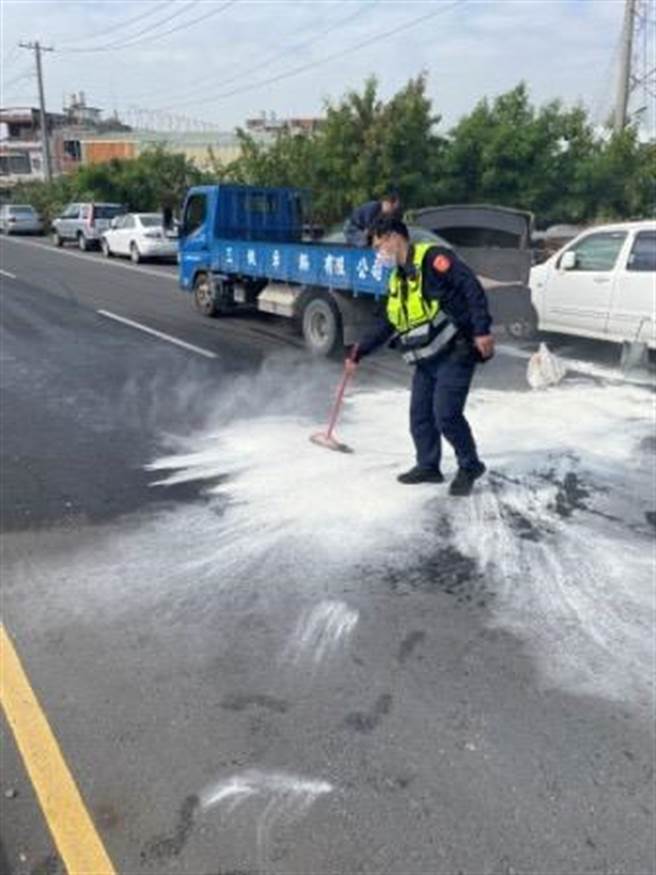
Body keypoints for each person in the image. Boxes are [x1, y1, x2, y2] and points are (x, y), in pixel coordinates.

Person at [347, 216, 495, 497]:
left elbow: (470, 287)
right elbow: (388, 322)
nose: (378, 254)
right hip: (426, 359)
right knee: (420, 416)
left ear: (394, 237)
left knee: (446, 415)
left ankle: (470, 465)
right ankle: (428, 466)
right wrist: (358, 351)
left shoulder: (433, 259)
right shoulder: (398, 279)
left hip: (456, 350)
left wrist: (482, 330)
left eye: (379, 246)